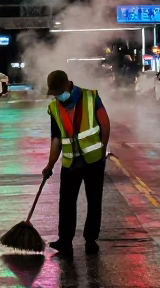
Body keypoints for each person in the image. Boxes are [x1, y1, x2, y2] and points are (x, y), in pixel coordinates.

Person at [42, 69, 111, 255]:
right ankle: (65, 241)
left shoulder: (91, 97)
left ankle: (90, 240)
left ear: (67, 84)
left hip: (93, 160)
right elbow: (56, 138)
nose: (58, 96)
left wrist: (103, 149)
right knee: (66, 203)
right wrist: (50, 164)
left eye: (59, 92)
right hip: (70, 162)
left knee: (94, 201)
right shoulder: (54, 107)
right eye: (54, 94)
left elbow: (105, 123)